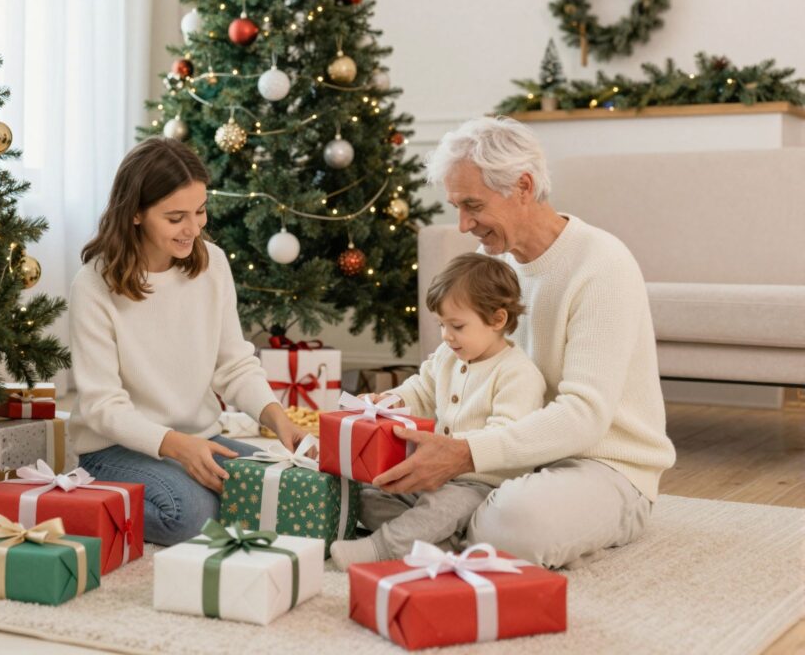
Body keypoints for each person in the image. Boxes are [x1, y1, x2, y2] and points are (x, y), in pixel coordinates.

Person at [371, 117, 676, 569]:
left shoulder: (601, 265)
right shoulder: (490, 262)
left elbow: (584, 416)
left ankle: (447, 526)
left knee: (511, 526)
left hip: (601, 466)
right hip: (510, 463)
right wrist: (393, 402)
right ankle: (449, 525)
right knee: (377, 485)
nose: (463, 224)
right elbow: (446, 362)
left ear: (523, 187)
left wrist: (466, 455)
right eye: (456, 206)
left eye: (473, 205)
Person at [67, 137, 307, 545]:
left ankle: (202, 494)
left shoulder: (213, 264)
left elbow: (234, 364)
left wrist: (277, 418)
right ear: (136, 213)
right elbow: (102, 407)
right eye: (176, 217)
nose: (193, 229)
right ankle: (86, 499)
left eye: (200, 211)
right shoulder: (93, 285)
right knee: (188, 515)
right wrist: (176, 447)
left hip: (199, 438)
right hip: (114, 448)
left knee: (288, 487)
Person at [329, 252, 546, 570]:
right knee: (371, 492)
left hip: (479, 483)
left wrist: (453, 454)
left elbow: (505, 436)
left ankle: (382, 548)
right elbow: (420, 390)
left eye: (456, 325)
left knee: (439, 508)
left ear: (497, 320)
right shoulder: (447, 355)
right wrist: (390, 401)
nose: (446, 335)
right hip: (432, 471)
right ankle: (438, 543)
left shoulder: (518, 374)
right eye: (442, 324)